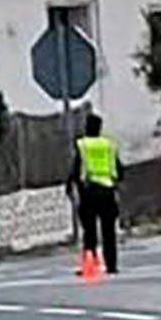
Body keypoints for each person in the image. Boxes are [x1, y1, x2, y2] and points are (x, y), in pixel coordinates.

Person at [70, 113, 122, 275]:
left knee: (90, 232)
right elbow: (119, 171)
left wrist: (71, 187)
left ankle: (90, 267)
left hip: (89, 191)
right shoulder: (109, 145)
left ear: (87, 127)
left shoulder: (82, 145)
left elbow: (76, 169)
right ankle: (112, 266)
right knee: (109, 232)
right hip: (108, 191)